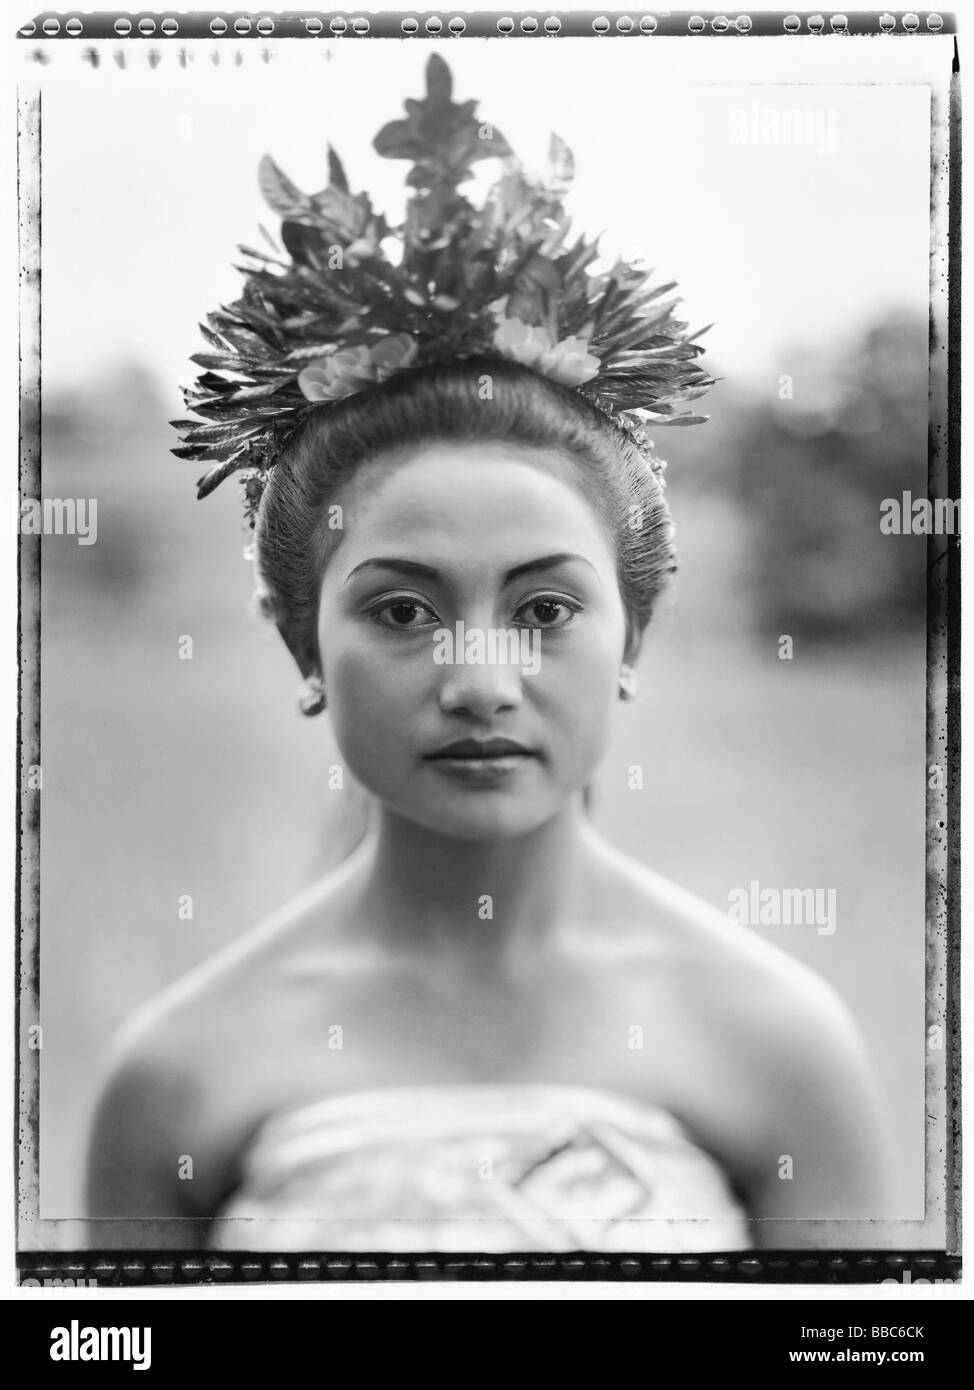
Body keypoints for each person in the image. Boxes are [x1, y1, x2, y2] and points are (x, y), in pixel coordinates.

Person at [85, 56, 888, 1253]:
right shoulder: (177, 1077)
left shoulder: (777, 1044)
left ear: (633, 631)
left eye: (545, 610)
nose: (477, 678)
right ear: (300, 639)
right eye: (402, 611)